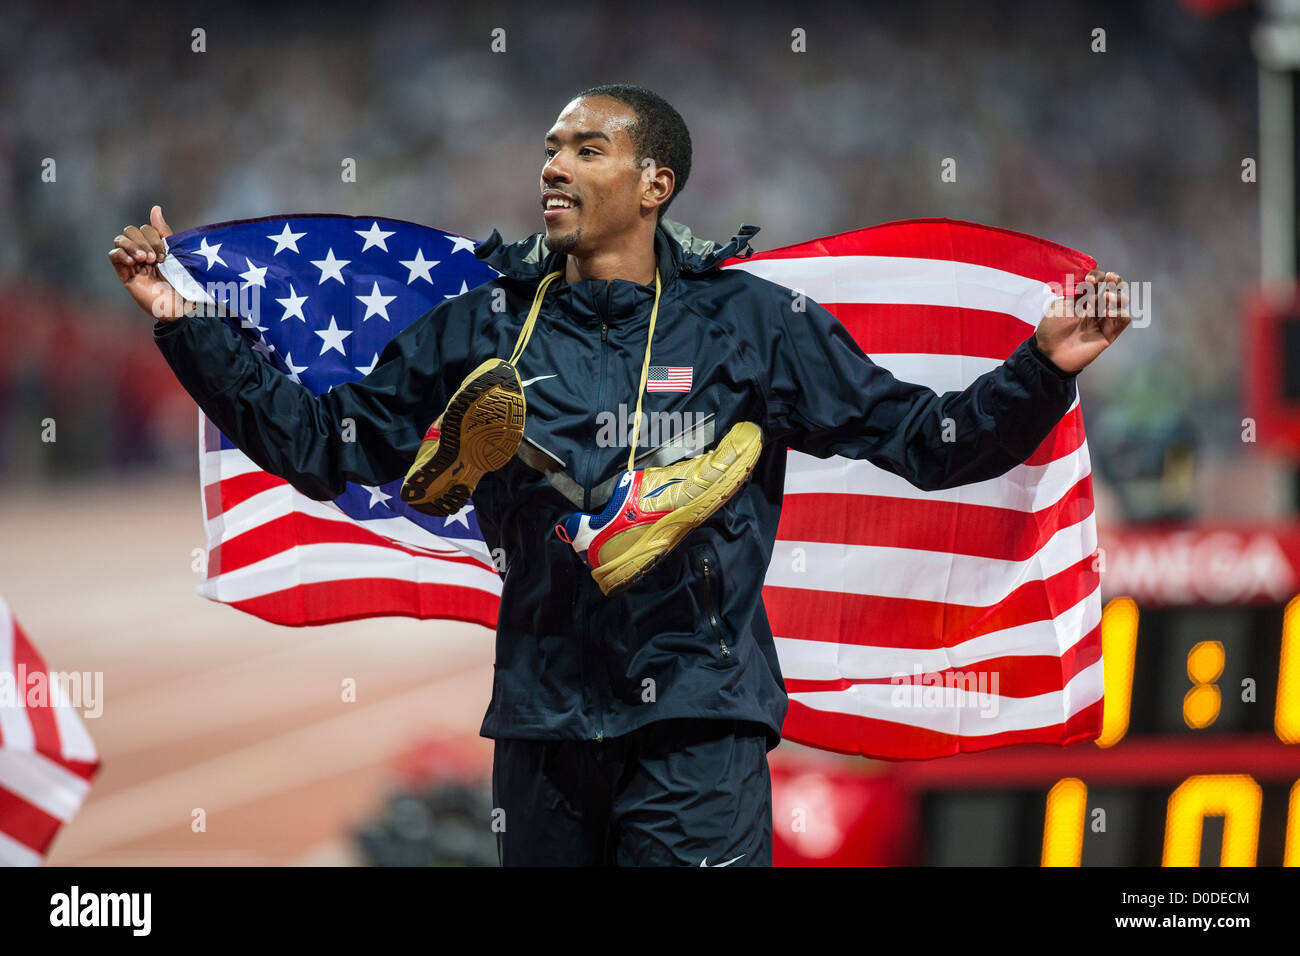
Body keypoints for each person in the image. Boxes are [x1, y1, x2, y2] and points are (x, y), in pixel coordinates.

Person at [109, 83, 1130, 866]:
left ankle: (642, 501)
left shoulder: (751, 324)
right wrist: (188, 325)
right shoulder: (486, 322)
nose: (551, 165)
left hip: (698, 731)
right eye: (549, 148)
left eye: (584, 148)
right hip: (542, 730)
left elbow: (928, 439)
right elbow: (327, 446)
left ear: (655, 183)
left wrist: (1040, 367)